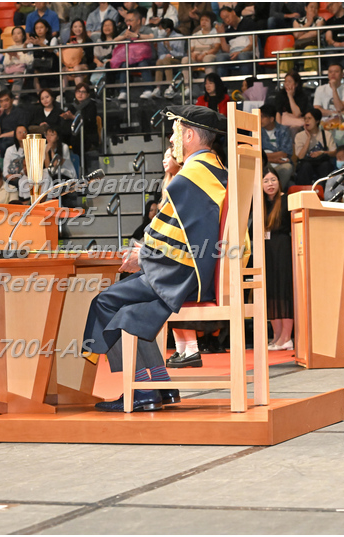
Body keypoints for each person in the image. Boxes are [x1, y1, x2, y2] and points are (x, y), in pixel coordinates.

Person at [81, 105, 227, 411]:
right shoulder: (217, 170)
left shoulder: (189, 178)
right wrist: (146, 254)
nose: (172, 139)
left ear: (189, 135)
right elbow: (185, 233)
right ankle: (161, 385)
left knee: (105, 302)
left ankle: (141, 391)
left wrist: (143, 257)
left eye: (175, 132)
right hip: (204, 271)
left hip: (186, 277)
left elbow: (175, 236)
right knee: (130, 309)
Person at [262, 167, 294, 351]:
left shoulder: (287, 200)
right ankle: (276, 337)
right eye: (266, 181)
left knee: (283, 292)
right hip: (267, 250)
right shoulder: (261, 203)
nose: (270, 184)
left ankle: (286, 338)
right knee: (271, 292)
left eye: (273, 180)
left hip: (282, 248)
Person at [112, 10, 155, 101]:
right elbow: (114, 40)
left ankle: (148, 89)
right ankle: (123, 91)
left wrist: (137, 35)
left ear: (138, 21)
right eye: (126, 20)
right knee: (124, 65)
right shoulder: (127, 31)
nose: (128, 23)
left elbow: (152, 37)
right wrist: (124, 36)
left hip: (146, 58)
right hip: (131, 58)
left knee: (143, 64)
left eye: (130, 20)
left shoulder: (145, 29)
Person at [294, 108, 336, 185]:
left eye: (309, 118)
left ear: (317, 121)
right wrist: (308, 138)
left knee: (326, 166)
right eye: (305, 118)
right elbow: (300, 156)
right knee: (305, 167)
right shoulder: (299, 136)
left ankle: (324, 190)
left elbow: (334, 153)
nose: (306, 121)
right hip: (306, 163)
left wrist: (322, 152)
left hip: (321, 162)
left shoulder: (326, 134)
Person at [260, 104, 294, 189]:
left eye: (263, 117)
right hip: (264, 163)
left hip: (280, 164)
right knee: (261, 165)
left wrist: (265, 156)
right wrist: (273, 159)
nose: (260, 119)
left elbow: (284, 153)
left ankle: (278, 191)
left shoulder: (283, 130)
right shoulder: (256, 130)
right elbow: (256, 154)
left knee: (288, 167)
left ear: (271, 119)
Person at [60, 82, 99, 156]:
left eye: (83, 92)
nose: (80, 94)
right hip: (73, 135)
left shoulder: (91, 105)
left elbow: (89, 122)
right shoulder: (72, 106)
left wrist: (73, 117)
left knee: (77, 136)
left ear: (88, 94)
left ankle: (79, 159)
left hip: (87, 135)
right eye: (78, 92)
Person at [216, 6, 256, 77]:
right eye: (224, 19)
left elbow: (252, 44)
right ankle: (223, 83)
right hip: (233, 54)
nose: (227, 20)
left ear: (233, 12)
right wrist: (221, 35)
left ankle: (246, 82)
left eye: (227, 16)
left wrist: (240, 52)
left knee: (242, 56)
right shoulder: (228, 30)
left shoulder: (248, 22)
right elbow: (226, 50)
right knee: (220, 57)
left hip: (247, 52)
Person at [152, 18, 185, 99]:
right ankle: (158, 88)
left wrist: (170, 49)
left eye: (161, 29)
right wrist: (165, 55)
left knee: (166, 60)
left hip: (178, 59)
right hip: (166, 59)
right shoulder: (160, 38)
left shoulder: (179, 37)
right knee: (159, 61)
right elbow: (160, 54)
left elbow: (181, 54)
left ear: (168, 30)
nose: (160, 31)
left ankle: (171, 86)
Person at [184, 10, 220, 79]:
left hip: (209, 54)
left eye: (206, 20)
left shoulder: (216, 33)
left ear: (211, 22)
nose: (203, 22)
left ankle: (209, 81)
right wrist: (193, 55)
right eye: (202, 20)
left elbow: (216, 48)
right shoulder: (195, 34)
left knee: (207, 59)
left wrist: (204, 54)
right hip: (196, 56)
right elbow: (190, 50)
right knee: (185, 60)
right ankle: (187, 84)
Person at [26, 18, 59, 91]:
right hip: (38, 65)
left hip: (51, 65)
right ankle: (38, 93)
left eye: (41, 27)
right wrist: (25, 43)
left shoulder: (52, 39)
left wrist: (40, 43)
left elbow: (51, 49)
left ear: (46, 29)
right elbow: (25, 51)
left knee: (41, 72)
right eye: (37, 28)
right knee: (32, 72)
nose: (39, 30)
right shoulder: (34, 40)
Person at [2, 26, 33, 99]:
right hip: (9, 69)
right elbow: (5, 63)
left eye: (18, 33)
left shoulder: (27, 47)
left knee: (17, 76)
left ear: (23, 36)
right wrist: (10, 57)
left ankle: (15, 98)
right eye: (14, 34)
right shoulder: (9, 48)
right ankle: (3, 97)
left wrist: (17, 57)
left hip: (20, 70)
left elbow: (29, 62)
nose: (16, 36)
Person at [63, 19, 93, 88]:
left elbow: (90, 58)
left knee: (76, 68)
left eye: (80, 26)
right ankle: (63, 92)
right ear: (72, 29)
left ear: (83, 28)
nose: (77, 29)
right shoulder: (69, 41)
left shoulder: (88, 41)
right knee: (63, 70)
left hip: (84, 65)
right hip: (71, 66)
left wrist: (79, 49)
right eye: (75, 27)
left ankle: (79, 90)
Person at [91, 18, 118, 88]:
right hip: (100, 64)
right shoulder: (99, 41)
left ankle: (109, 90)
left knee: (109, 66)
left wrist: (110, 60)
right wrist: (98, 62)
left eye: (109, 25)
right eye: (105, 25)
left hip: (111, 64)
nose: (107, 27)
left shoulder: (117, 41)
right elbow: (95, 57)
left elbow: (118, 57)